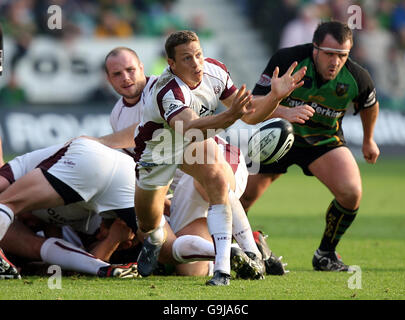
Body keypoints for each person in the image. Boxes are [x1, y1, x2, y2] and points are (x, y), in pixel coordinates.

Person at [100, 33, 305, 286]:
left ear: (141, 67)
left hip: (205, 152)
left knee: (214, 179)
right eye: (187, 58)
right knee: (160, 238)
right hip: (161, 156)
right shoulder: (167, 90)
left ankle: (232, 264)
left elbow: (248, 116)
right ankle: (157, 240)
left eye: (198, 55)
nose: (197, 63)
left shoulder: (214, 71)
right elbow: (190, 127)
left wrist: (275, 97)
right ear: (171, 64)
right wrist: (230, 116)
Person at [240, 21, 380, 271]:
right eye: (329, 54)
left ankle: (325, 254)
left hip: (322, 141)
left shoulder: (357, 76)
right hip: (279, 138)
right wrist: (284, 111)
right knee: (241, 197)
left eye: (342, 55)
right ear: (315, 48)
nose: (335, 62)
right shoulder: (287, 60)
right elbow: (253, 104)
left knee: (351, 192)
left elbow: (369, 104)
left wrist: (369, 139)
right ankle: (247, 246)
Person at [0, 138, 141, 279]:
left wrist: (112, 241)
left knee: (33, 242)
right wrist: (112, 241)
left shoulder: (89, 219)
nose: (30, 224)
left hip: (93, 163)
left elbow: (59, 260)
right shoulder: (23, 176)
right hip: (90, 161)